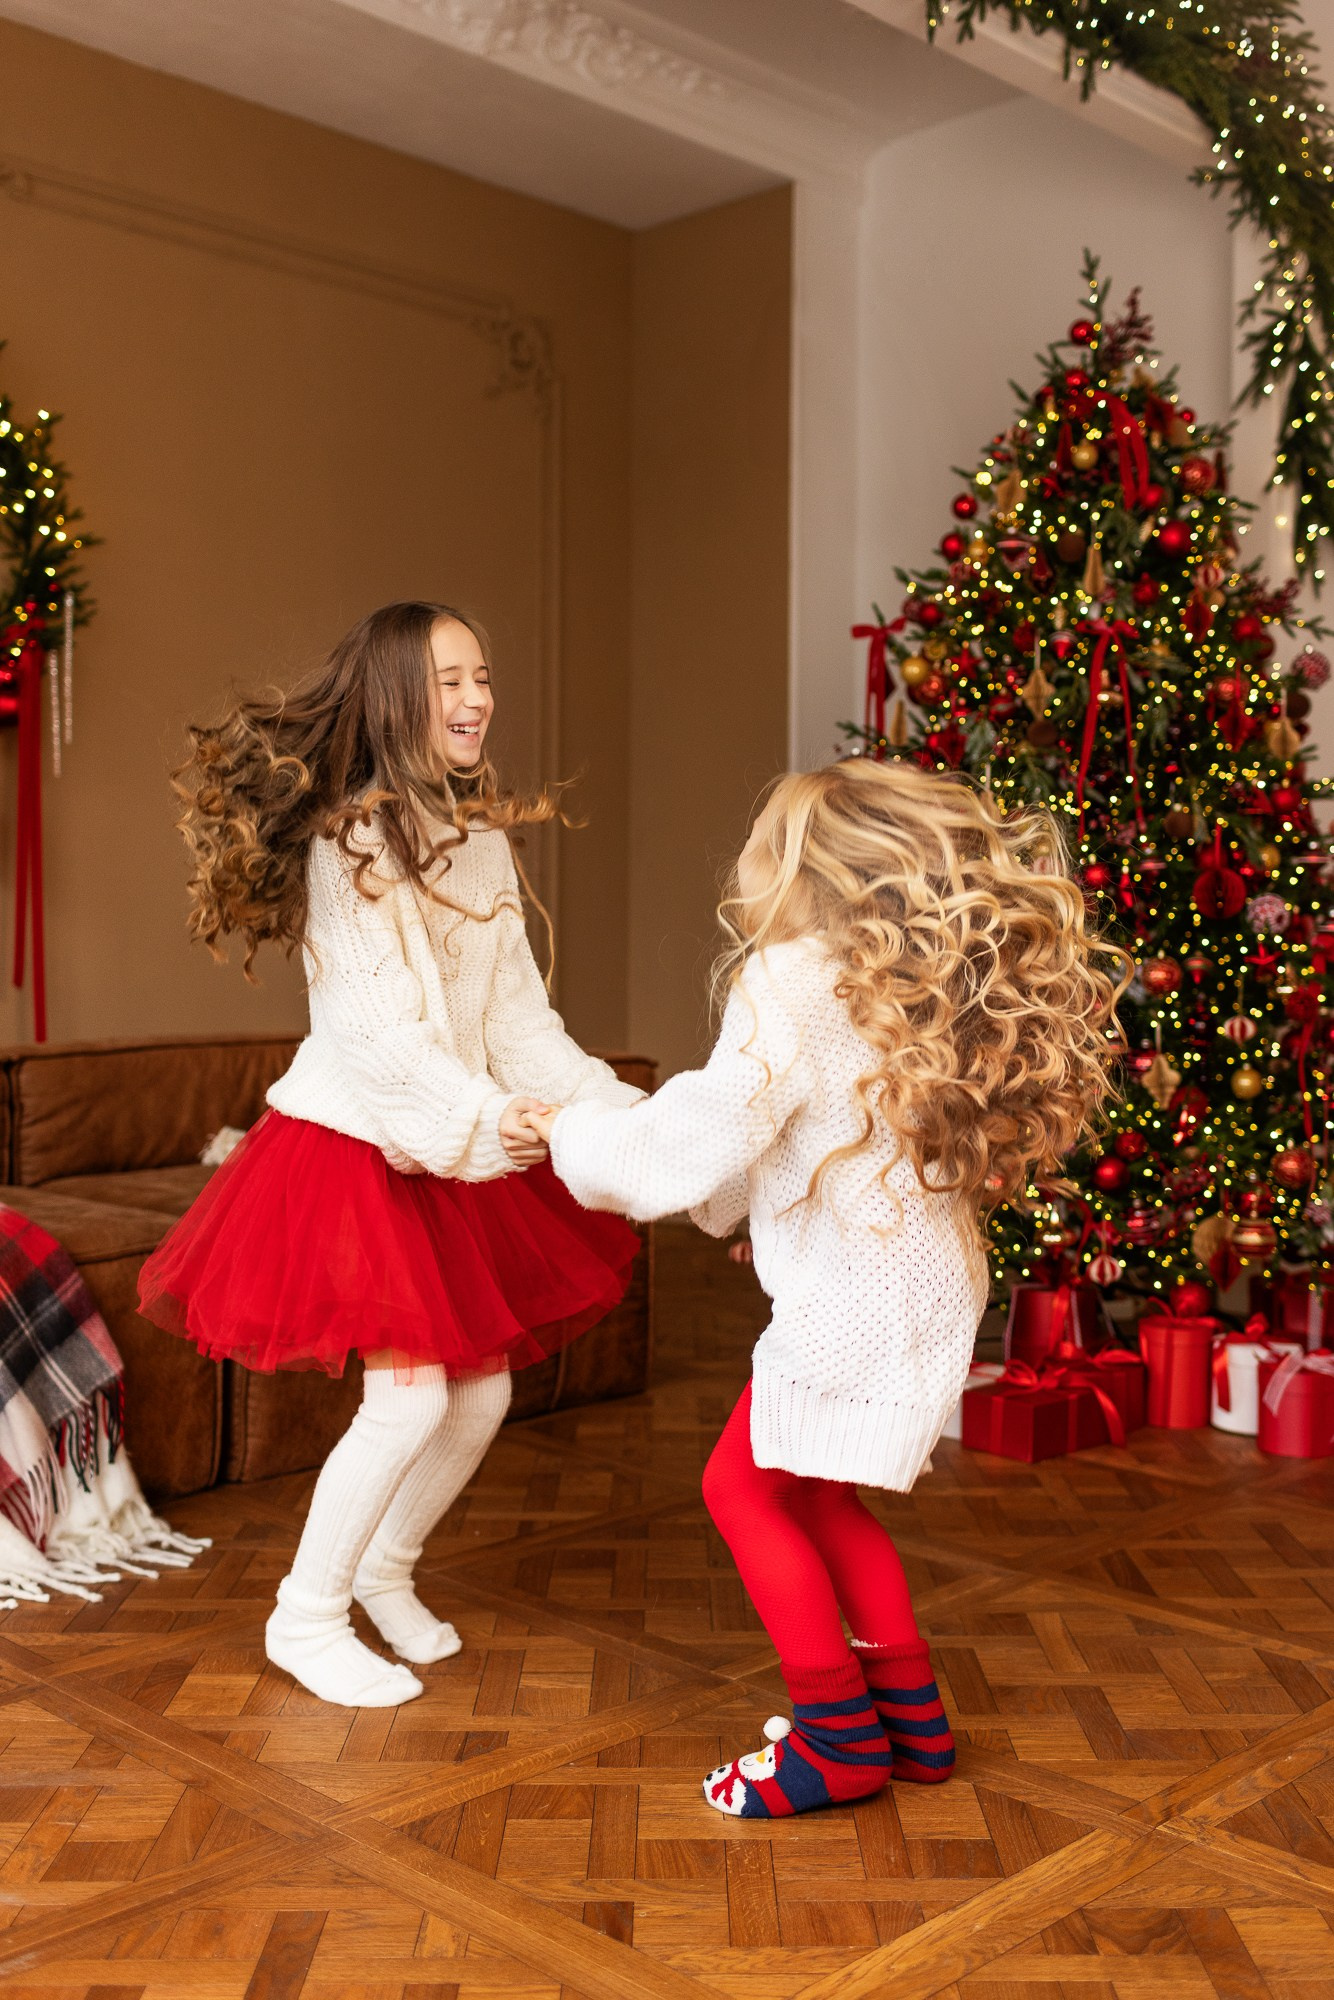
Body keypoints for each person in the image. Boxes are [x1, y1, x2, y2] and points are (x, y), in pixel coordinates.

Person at [528, 760, 1123, 1817]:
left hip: (854, 1298)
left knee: (740, 1487)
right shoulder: (908, 977)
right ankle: (913, 1725)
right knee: (820, 1490)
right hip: (927, 1281)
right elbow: (829, 1138)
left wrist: (574, 1131)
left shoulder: (793, 976)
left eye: (760, 840)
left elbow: (698, 1138)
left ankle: (834, 1741)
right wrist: (775, 1219)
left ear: (801, 866)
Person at [139, 601, 641, 1709]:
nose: (475, 698)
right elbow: (373, 1033)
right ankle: (304, 1614)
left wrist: (610, 1110)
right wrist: (483, 1118)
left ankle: (384, 1567)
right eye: (448, 679)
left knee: (479, 1396)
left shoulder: (485, 843)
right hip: (361, 1141)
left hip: (447, 1141)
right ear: (393, 699)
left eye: (484, 675)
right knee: (409, 1402)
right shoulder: (350, 838)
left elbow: (519, 1020)